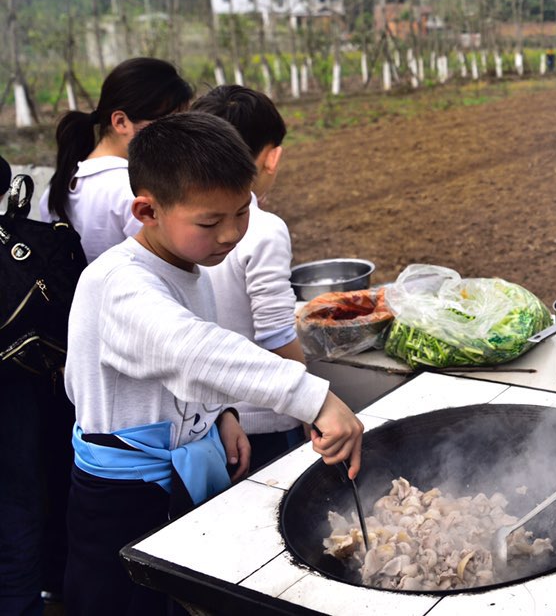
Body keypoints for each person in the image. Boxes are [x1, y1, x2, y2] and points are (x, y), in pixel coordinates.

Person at [62, 112, 364, 616]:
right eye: (210, 222)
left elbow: (176, 371)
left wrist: (220, 413)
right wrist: (314, 397)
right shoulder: (120, 284)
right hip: (124, 496)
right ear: (147, 210)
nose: (230, 235)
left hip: (179, 468)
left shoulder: (187, 266)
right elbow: (191, 350)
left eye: (241, 213)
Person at [2, 58, 192, 616]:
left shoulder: (65, 183)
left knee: (58, 487)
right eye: (166, 122)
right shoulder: (127, 190)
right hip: (137, 374)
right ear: (122, 121)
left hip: (69, 362)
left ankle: (57, 585)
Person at [190, 85, 308, 472]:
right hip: (263, 416)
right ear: (272, 157)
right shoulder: (263, 228)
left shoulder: (178, 223)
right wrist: (311, 404)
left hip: (209, 417)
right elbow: (276, 335)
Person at [41, 56, 193, 262]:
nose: (180, 136)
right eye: (169, 125)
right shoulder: (136, 191)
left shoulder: (58, 186)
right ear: (121, 122)